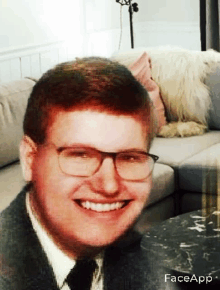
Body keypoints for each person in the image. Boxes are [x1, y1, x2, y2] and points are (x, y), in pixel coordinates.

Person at [0, 57, 166, 290]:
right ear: (30, 160)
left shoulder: (150, 262)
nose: (109, 185)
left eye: (130, 157)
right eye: (81, 155)